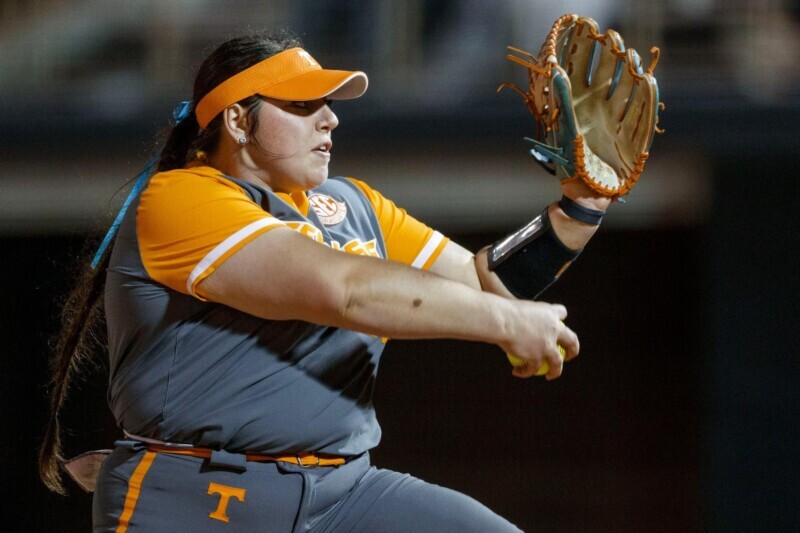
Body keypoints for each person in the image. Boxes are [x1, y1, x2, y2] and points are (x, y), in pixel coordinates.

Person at [39, 31, 611, 532]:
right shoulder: (183, 199)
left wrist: (581, 207)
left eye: (329, 103)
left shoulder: (351, 204)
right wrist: (506, 324)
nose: (330, 117)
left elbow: (488, 283)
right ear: (238, 120)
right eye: (303, 102)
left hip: (344, 495)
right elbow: (344, 290)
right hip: (200, 501)